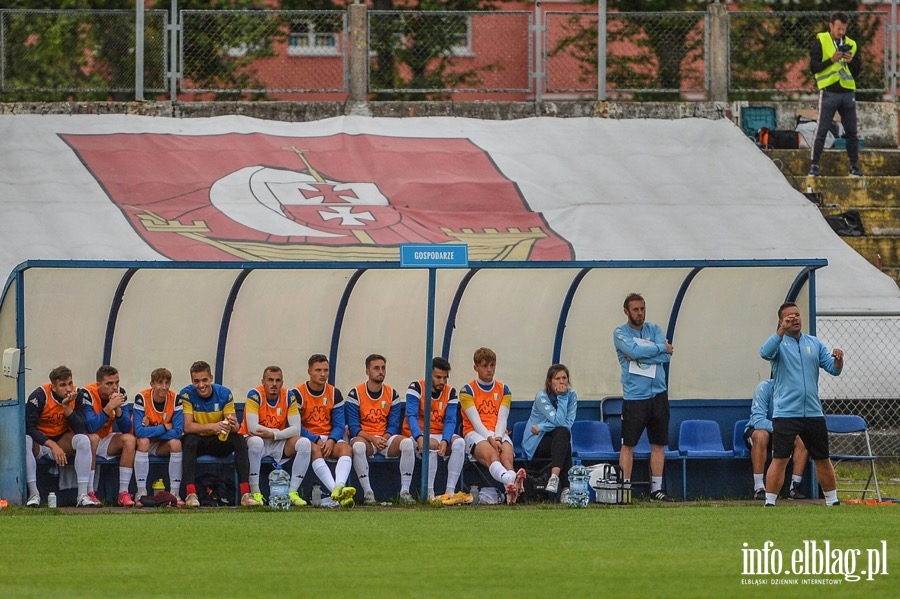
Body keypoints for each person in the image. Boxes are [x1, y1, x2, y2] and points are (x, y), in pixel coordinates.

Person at [759, 302, 844, 507]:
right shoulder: (778, 344)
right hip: (786, 412)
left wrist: (839, 360)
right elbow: (764, 352)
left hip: (813, 412)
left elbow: (834, 370)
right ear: (780, 322)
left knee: (822, 457)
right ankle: (770, 501)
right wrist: (780, 332)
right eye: (788, 317)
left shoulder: (814, 344)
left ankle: (832, 500)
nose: (794, 319)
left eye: (796, 315)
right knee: (780, 458)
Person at [613, 292, 675, 502]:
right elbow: (635, 350)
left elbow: (666, 355)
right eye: (636, 309)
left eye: (642, 308)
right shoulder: (620, 333)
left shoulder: (654, 329)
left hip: (658, 394)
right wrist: (658, 349)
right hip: (634, 397)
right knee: (628, 444)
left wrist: (644, 351)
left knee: (658, 443)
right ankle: (625, 490)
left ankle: (656, 490)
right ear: (626, 311)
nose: (640, 313)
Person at [179, 360, 260, 507]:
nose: (201, 385)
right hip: (198, 442)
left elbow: (233, 424)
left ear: (211, 377)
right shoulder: (186, 394)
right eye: (196, 381)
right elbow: (188, 426)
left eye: (204, 380)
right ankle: (191, 494)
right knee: (189, 440)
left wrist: (234, 425)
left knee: (239, 439)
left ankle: (245, 494)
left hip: (217, 441)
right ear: (192, 381)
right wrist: (212, 426)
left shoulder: (224, 393)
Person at [24, 366, 100, 507]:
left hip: (62, 440)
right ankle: (34, 494)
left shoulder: (78, 394)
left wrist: (67, 407)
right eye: (63, 385)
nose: (68, 388)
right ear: (53, 387)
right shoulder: (39, 396)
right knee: (26, 440)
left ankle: (82, 495)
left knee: (84, 440)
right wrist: (52, 445)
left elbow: (79, 428)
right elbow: (29, 428)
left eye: (70, 383)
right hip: (40, 442)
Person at [459, 347, 526, 504]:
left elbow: (502, 418)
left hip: (498, 432)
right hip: (475, 433)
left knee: (507, 457)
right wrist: (491, 439)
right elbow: (475, 422)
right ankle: (512, 479)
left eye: (492, 365)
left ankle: (510, 492)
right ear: (476, 367)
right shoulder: (467, 390)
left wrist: (498, 437)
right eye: (484, 366)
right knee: (492, 455)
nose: (489, 370)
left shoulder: (504, 390)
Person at [346, 354, 412, 505]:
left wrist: (384, 437)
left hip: (385, 439)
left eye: (383, 368)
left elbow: (394, 425)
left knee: (407, 443)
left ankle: (405, 492)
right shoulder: (355, 393)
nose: (380, 371)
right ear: (367, 371)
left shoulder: (392, 393)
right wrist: (372, 438)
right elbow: (354, 427)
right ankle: (368, 492)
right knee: (358, 446)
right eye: (376, 368)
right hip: (366, 439)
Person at [240, 365, 308, 507]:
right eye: (270, 380)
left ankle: (292, 493)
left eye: (278, 380)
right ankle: (256, 492)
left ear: (282, 382)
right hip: (256, 439)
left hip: (277, 440)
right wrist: (274, 433)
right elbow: (253, 427)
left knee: (304, 444)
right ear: (263, 381)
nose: (274, 384)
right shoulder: (254, 395)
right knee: (256, 442)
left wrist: (274, 434)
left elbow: (296, 429)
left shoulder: (289, 396)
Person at [294, 354, 356, 508]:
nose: (323, 374)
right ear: (309, 371)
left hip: (328, 438)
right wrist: (315, 439)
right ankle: (337, 491)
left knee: (346, 448)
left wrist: (332, 439)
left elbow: (339, 424)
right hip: (308, 439)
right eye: (318, 370)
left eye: (326, 370)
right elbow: (296, 425)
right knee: (314, 449)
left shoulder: (334, 393)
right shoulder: (297, 393)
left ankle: (338, 488)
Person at [404, 356, 466, 504]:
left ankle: (450, 492)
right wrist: (420, 437)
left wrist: (445, 439)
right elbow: (411, 415)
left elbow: (451, 419)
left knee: (460, 443)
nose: (442, 382)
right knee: (431, 444)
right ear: (428, 374)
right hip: (418, 433)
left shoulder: (451, 392)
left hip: (439, 434)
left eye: (445, 378)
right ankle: (429, 494)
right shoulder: (416, 387)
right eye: (438, 377)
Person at [808, 11, 862, 177]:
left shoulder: (851, 43)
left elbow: (858, 71)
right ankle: (815, 165)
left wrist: (851, 61)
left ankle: (854, 165)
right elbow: (814, 67)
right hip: (829, 91)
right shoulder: (821, 40)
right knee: (822, 129)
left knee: (851, 131)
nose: (841, 32)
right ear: (831, 26)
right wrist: (831, 60)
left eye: (844, 29)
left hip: (847, 92)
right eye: (838, 29)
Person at [744, 379, 809, 501]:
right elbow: (758, 421)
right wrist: (783, 429)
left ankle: (794, 488)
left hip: (784, 432)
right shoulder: (764, 387)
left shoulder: (797, 390)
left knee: (802, 439)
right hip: (760, 431)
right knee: (761, 435)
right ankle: (759, 488)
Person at [83, 365, 137, 507]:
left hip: (106, 439)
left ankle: (123, 493)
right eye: (109, 384)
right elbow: (90, 427)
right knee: (93, 438)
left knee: (129, 440)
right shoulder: (87, 393)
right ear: (99, 384)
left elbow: (126, 428)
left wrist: (118, 409)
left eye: (116, 382)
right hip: (86, 440)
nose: (114, 387)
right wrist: (108, 408)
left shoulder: (121, 393)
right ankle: (89, 491)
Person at [522, 364, 576, 503]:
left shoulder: (572, 395)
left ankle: (555, 479)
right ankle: (565, 489)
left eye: (564, 378)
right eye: (557, 378)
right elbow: (559, 421)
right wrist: (562, 398)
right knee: (563, 440)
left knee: (563, 435)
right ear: (550, 382)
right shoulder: (542, 397)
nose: (562, 382)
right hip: (536, 441)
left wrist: (541, 426)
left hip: (555, 438)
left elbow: (567, 422)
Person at [133, 367, 184, 504]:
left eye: (167, 383)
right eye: (160, 383)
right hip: (146, 444)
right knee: (143, 441)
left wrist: (152, 429)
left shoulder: (175, 399)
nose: (164, 387)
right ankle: (141, 492)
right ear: (152, 384)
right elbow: (139, 432)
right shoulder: (142, 398)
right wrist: (163, 427)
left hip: (160, 444)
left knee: (176, 443)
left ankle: (175, 493)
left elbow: (178, 431)